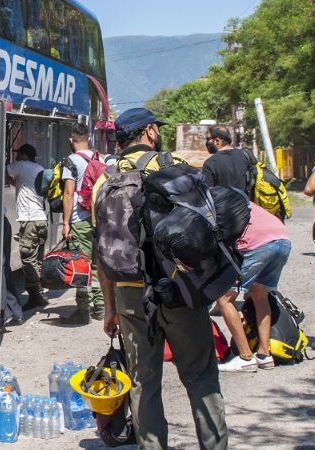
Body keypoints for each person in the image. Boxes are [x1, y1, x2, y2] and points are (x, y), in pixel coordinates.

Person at [97, 108, 228, 450]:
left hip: (128, 293)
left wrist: (109, 307)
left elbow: (103, 253)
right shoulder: (172, 163)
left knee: (143, 380)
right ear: (151, 131)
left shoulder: (105, 178)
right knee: (200, 375)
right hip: (178, 287)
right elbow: (205, 227)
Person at [216, 203, 292, 372]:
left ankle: (245, 357)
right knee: (260, 294)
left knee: (224, 299)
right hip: (283, 239)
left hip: (257, 245)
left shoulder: (210, 203)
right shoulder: (238, 198)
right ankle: (264, 355)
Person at [60, 123, 104, 324]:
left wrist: (65, 222)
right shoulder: (100, 158)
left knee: (82, 264)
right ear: (88, 138)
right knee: (97, 265)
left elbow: (68, 193)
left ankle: (83, 309)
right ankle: (101, 307)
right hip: (100, 219)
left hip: (80, 219)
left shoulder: (72, 161)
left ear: (71, 139)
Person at [6, 144, 49, 309]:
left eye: (19, 154)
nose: (16, 156)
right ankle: (39, 292)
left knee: (27, 259)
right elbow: (23, 185)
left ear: (24, 155)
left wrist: (10, 179)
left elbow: (1, 171)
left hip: (30, 219)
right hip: (41, 219)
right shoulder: (39, 168)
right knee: (37, 259)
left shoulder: (21, 166)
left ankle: (35, 297)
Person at [202, 125, 252, 196]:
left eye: (208, 139)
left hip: (221, 206)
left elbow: (206, 194)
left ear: (217, 141)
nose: (206, 142)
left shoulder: (210, 163)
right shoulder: (246, 156)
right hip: (245, 205)